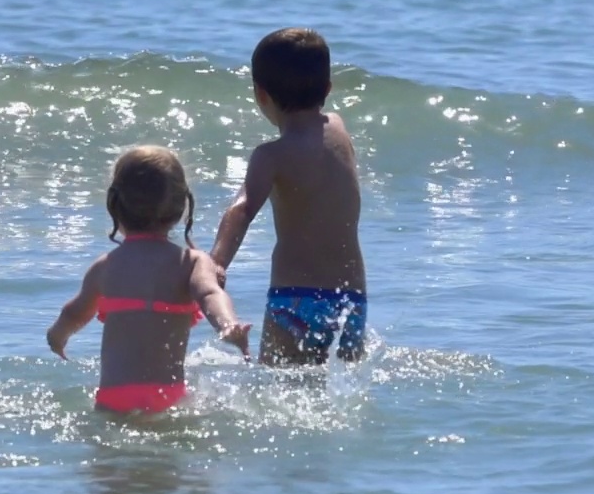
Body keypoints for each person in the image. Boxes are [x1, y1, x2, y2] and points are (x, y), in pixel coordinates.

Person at [46, 146, 251, 414]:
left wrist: (57, 338)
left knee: (110, 455)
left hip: (113, 398)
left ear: (114, 205)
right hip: (167, 399)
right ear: (181, 207)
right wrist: (228, 324)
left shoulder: (107, 266)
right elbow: (211, 294)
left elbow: (73, 314)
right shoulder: (191, 262)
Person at [210, 27, 368, 366]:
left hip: (295, 299)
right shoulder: (338, 128)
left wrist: (217, 262)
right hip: (351, 298)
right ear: (328, 88)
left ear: (260, 95)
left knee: (281, 391)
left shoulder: (271, 155)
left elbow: (243, 208)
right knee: (336, 393)